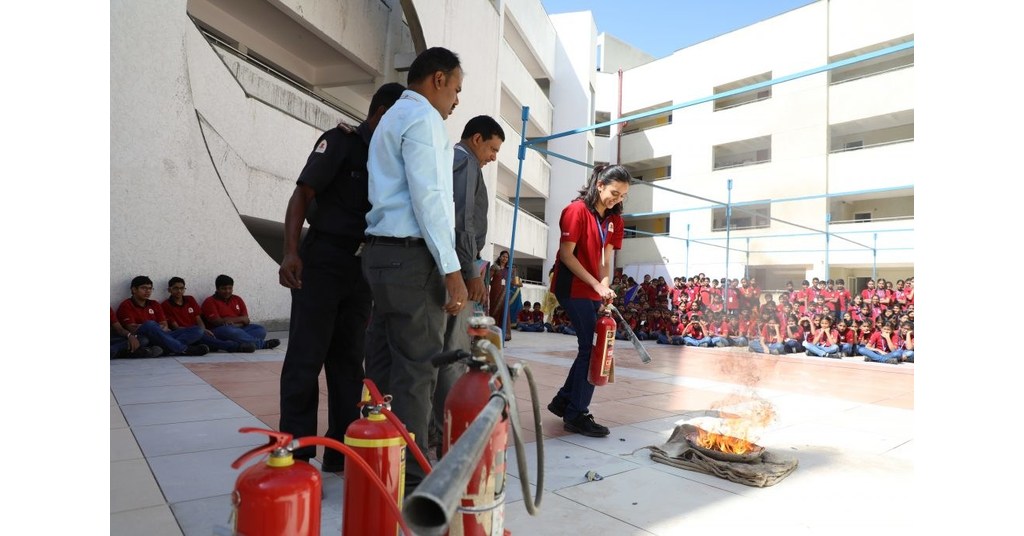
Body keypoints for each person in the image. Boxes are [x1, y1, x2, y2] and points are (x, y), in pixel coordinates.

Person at [276, 82, 405, 470]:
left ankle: (340, 451)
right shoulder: (340, 141)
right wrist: (290, 251)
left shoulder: (388, 158)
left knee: (349, 362)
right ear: (381, 113)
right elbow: (302, 194)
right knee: (306, 355)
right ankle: (296, 453)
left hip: (359, 267)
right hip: (323, 260)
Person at [360, 46, 468, 494]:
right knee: (418, 368)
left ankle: (375, 461)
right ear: (437, 79)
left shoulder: (390, 118)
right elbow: (431, 200)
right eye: (457, 89)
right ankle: (414, 477)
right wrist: (452, 268)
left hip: (379, 255)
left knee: (382, 364)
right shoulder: (423, 119)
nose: (457, 101)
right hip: (410, 257)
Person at [430, 114, 505, 459]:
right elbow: (462, 221)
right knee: (454, 351)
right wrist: (469, 272)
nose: (493, 156)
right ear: (476, 139)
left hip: (453, 265)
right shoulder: (465, 161)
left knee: (446, 348)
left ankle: (436, 425)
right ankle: (446, 428)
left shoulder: (454, 160)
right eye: (492, 147)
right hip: (458, 269)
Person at [546, 164, 629, 438]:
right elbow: (566, 255)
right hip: (572, 287)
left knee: (593, 347)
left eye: (621, 196)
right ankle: (576, 413)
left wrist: (604, 285)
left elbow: (606, 259)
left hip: (593, 289)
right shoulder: (576, 211)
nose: (616, 199)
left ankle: (564, 401)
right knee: (592, 348)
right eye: (613, 193)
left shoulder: (615, 220)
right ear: (600, 185)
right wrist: (595, 283)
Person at [116, 276, 209, 356]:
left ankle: (165, 349)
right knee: (149, 325)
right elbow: (132, 328)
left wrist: (155, 328)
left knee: (197, 330)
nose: (148, 291)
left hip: (162, 335)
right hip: (142, 336)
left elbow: (165, 325)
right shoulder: (126, 305)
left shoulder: (154, 304)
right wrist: (153, 326)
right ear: (134, 289)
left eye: (150, 288)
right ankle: (183, 349)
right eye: (144, 288)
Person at [162, 277, 256, 353]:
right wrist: (197, 330)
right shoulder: (165, 305)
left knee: (260, 330)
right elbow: (176, 327)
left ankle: (242, 341)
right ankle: (236, 346)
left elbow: (198, 318)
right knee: (215, 336)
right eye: (176, 288)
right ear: (169, 290)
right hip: (186, 332)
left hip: (201, 330)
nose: (179, 291)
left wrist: (202, 329)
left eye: (182, 288)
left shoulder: (190, 299)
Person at [201, 275, 280, 350]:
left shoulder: (237, 299)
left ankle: (239, 343)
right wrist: (239, 320)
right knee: (230, 331)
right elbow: (218, 322)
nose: (227, 291)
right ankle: (263, 344)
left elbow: (246, 320)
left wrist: (232, 322)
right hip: (219, 330)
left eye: (230, 288)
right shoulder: (210, 301)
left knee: (260, 330)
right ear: (217, 289)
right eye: (224, 289)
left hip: (239, 328)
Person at [489, 250, 523, 340]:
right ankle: (492, 333)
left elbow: (513, 282)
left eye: (507, 257)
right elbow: (487, 278)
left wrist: (517, 282)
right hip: (495, 292)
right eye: (503, 256)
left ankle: (505, 334)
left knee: (504, 311)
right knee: (494, 311)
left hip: (505, 293)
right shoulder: (494, 267)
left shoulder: (509, 269)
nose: (505, 258)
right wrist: (493, 284)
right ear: (500, 257)